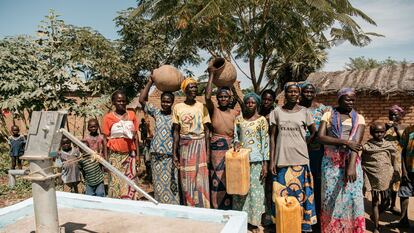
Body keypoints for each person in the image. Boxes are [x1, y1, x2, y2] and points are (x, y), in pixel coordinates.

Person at [269, 82, 317, 232]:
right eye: (290, 91)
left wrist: (305, 144)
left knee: (301, 196)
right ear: (285, 93)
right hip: (282, 160)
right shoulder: (276, 112)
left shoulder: (304, 112)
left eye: (296, 92)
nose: (293, 94)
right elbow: (272, 137)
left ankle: (302, 226)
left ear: (299, 94)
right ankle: (285, 225)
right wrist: (272, 161)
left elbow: (314, 131)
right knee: (282, 195)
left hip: (301, 160)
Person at [318, 88, 366, 233]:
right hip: (331, 163)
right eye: (348, 99)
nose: (351, 102)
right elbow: (321, 137)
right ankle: (331, 229)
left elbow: (356, 144)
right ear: (339, 99)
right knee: (330, 197)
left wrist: (350, 167)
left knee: (352, 197)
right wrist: (345, 142)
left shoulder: (359, 118)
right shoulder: (328, 115)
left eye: (353, 100)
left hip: (351, 161)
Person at [139, 77, 180, 205]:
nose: (165, 104)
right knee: (158, 183)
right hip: (156, 155)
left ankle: (173, 207)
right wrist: (150, 82)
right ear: (161, 101)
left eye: (168, 102)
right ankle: (160, 205)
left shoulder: (176, 116)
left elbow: (177, 134)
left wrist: (175, 154)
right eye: (164, 101)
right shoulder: (157, 112)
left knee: (171, 183)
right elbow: (142, 100)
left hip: (169, 156)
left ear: (172, 102)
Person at [233, 93, 269, 233]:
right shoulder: (238, 119)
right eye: (247, 102)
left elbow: (265, 143)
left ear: (257, 104)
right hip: (241, 160)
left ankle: (254, 222)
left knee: (256, 191)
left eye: (253, 102)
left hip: (257, 161)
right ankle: (242, 219)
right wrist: (236, 143)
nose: (249, 104)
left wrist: (265, 164)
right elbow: (236, 136)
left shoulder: (261, 121)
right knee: (241, 190)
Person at [172, 78, 211, 208]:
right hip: (185, 146)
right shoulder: (178, 107)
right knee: (187, 178)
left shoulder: (202, 106)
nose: (194, 90)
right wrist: (174, 153)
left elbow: (207, 131)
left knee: (201, 179)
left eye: (195, 87)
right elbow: (176, 132)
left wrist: (208, 153)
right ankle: (190, 208)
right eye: (191, 87)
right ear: (185, 90)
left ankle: (203, 209)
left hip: (200, 145)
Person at [298, 82, 331, 228]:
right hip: (299, 151)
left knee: (317, 184)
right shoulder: (296, 108)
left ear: (315, 93)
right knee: (302, 183)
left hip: (318, 152)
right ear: (301, 93)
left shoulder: (323, 109)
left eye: (311, 92)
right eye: (305, 91)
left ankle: (317, 218)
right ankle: (303, 216)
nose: (308, 94)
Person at [205, 71, 238, 210]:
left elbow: (239, 101)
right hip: (216, 149)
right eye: (221, 97)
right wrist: (211, 75)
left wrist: (232, 85)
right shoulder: (214, 111)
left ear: (230, 98)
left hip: (231, 150)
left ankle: (230, 207)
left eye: (226, 96)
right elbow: (207, 96)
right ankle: (217, 206)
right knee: (216, 178)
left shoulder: (234, 113)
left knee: (230, 176)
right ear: (217, 98)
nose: (223, 99)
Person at [102, 90, 140, 199]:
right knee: (115, 183)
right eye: (118, 101)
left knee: (129, 183)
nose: (121, 103)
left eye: (124, 101)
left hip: (129, 156)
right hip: (115, 156)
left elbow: (136, 137)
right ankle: (116, 205)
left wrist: (137, 155)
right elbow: (105, 139)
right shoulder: (108, 118)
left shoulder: (132, 115)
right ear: (113, 102)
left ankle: (129, 204)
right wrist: (105, 159)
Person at [361, 122, 398, 233]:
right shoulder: (367, 146)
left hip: (386, 176)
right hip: (372, 176)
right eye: (376, 132)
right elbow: (363, 160)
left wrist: (396, 172)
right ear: (372, 133)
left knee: (386, 201)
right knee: (375, 202)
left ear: (385, 132)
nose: (379, 134)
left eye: (382, 132)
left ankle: (374, 216)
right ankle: (376, 227)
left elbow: (394, 159)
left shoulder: (389, 145)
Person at [384, 105, 406, 214]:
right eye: (390, 114)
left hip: (398, 160)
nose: (392, 116)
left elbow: (405, 141)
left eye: (395, 114)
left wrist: (397, 129)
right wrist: (386, 129)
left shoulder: (404, 128)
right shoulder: (385, 127)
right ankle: (385, 203)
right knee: (385, 181)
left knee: (396, 182)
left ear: (401, 116)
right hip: (386, 160)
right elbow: (378, 138)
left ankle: (392, 205)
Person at [394, 124, 414, 228]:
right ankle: (403, 220)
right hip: (409, 170)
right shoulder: (409, 130)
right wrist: (404, 170)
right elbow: (403, 151)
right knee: (404, 194)